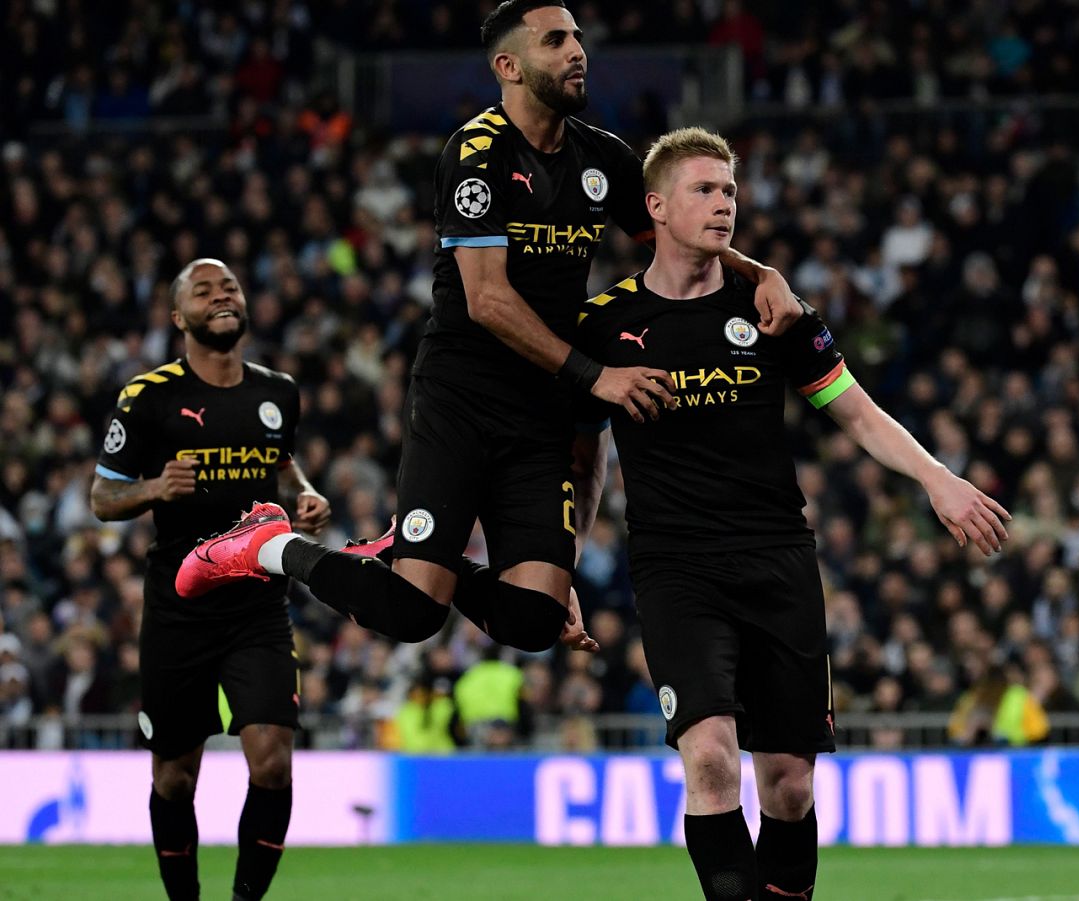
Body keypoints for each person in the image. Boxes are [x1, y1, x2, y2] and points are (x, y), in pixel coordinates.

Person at [176, 0, 800, 657]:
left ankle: (408, 550)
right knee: (413, 612)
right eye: (556, 41)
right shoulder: (477, 154)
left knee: (534, 622)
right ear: (508, 65)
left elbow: (678, 235)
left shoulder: (603, 158)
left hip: (541, 411)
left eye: (578, 39)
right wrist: (599, 377)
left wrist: (759, 273)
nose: (577, 52)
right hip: (462, 398)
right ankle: (268, 546)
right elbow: (488, 301)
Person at [572, 127, 1011, 901]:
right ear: (657, 206)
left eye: (730, 191)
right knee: (709, 759)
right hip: (675, 567)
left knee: (790, 787)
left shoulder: (773, 311)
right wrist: (563, 557)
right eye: (705, 190)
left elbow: (860, 414)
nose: (723, 204)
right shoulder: (603, 324)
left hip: (777, 556)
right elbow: (584, 453)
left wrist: (938, 479)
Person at [90, 259, 330, 901]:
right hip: (178, 610)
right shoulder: (148, 398)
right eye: (204, 291)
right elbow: (101, 497)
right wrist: (152, 487)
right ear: (179, 317)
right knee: (174, 778)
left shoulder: (278, 391)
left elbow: (282, 465)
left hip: (258, 604)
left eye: (229, 287)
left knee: (274, 760)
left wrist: (304, 495)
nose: (220, 296)